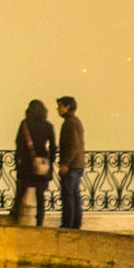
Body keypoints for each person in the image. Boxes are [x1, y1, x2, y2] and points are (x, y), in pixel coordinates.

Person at [12, 98, 56, 227]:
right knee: (40, 194)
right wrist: (50, 161)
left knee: (21, 190)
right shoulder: (48, 126)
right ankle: (40, 220)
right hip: (41, 162)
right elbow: (53, 146)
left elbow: (19, 143)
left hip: (26, 162)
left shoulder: (25, 124)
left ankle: (16, 215)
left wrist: (18, 159)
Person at [57, 94, 85, 229]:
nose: (58, 109)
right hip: (77, 164)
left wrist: (65, 163)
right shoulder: (76, 121)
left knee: (68, 195)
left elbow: (73, 146)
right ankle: (76, 223)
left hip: (72, 166)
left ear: (67, 107)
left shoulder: (69, 123)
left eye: (60, 106)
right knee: (74, 195)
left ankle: (68, 223)